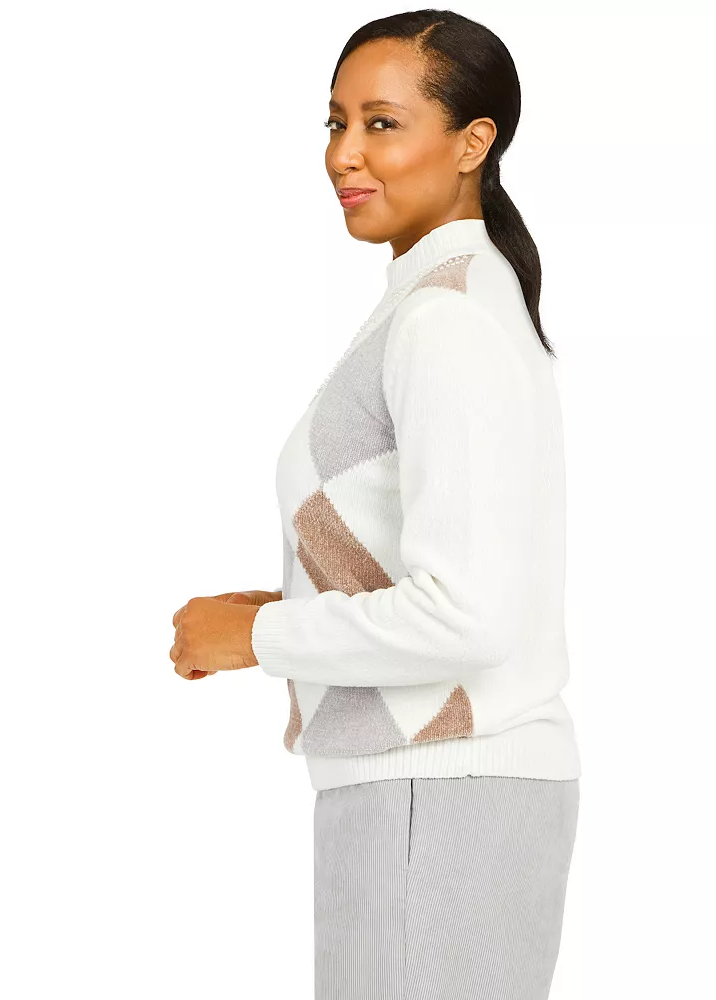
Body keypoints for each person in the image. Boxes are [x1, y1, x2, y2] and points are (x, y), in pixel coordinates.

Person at [170, 10, 582, 999]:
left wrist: (258, 637)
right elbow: (450, 567)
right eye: (336, 122)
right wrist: (280, 603)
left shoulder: (444, 319)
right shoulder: (444, 299)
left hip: (438, 791)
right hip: (433, 790)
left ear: (473, 142)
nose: (344, 154)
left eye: (382, 124)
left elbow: (467, 614)